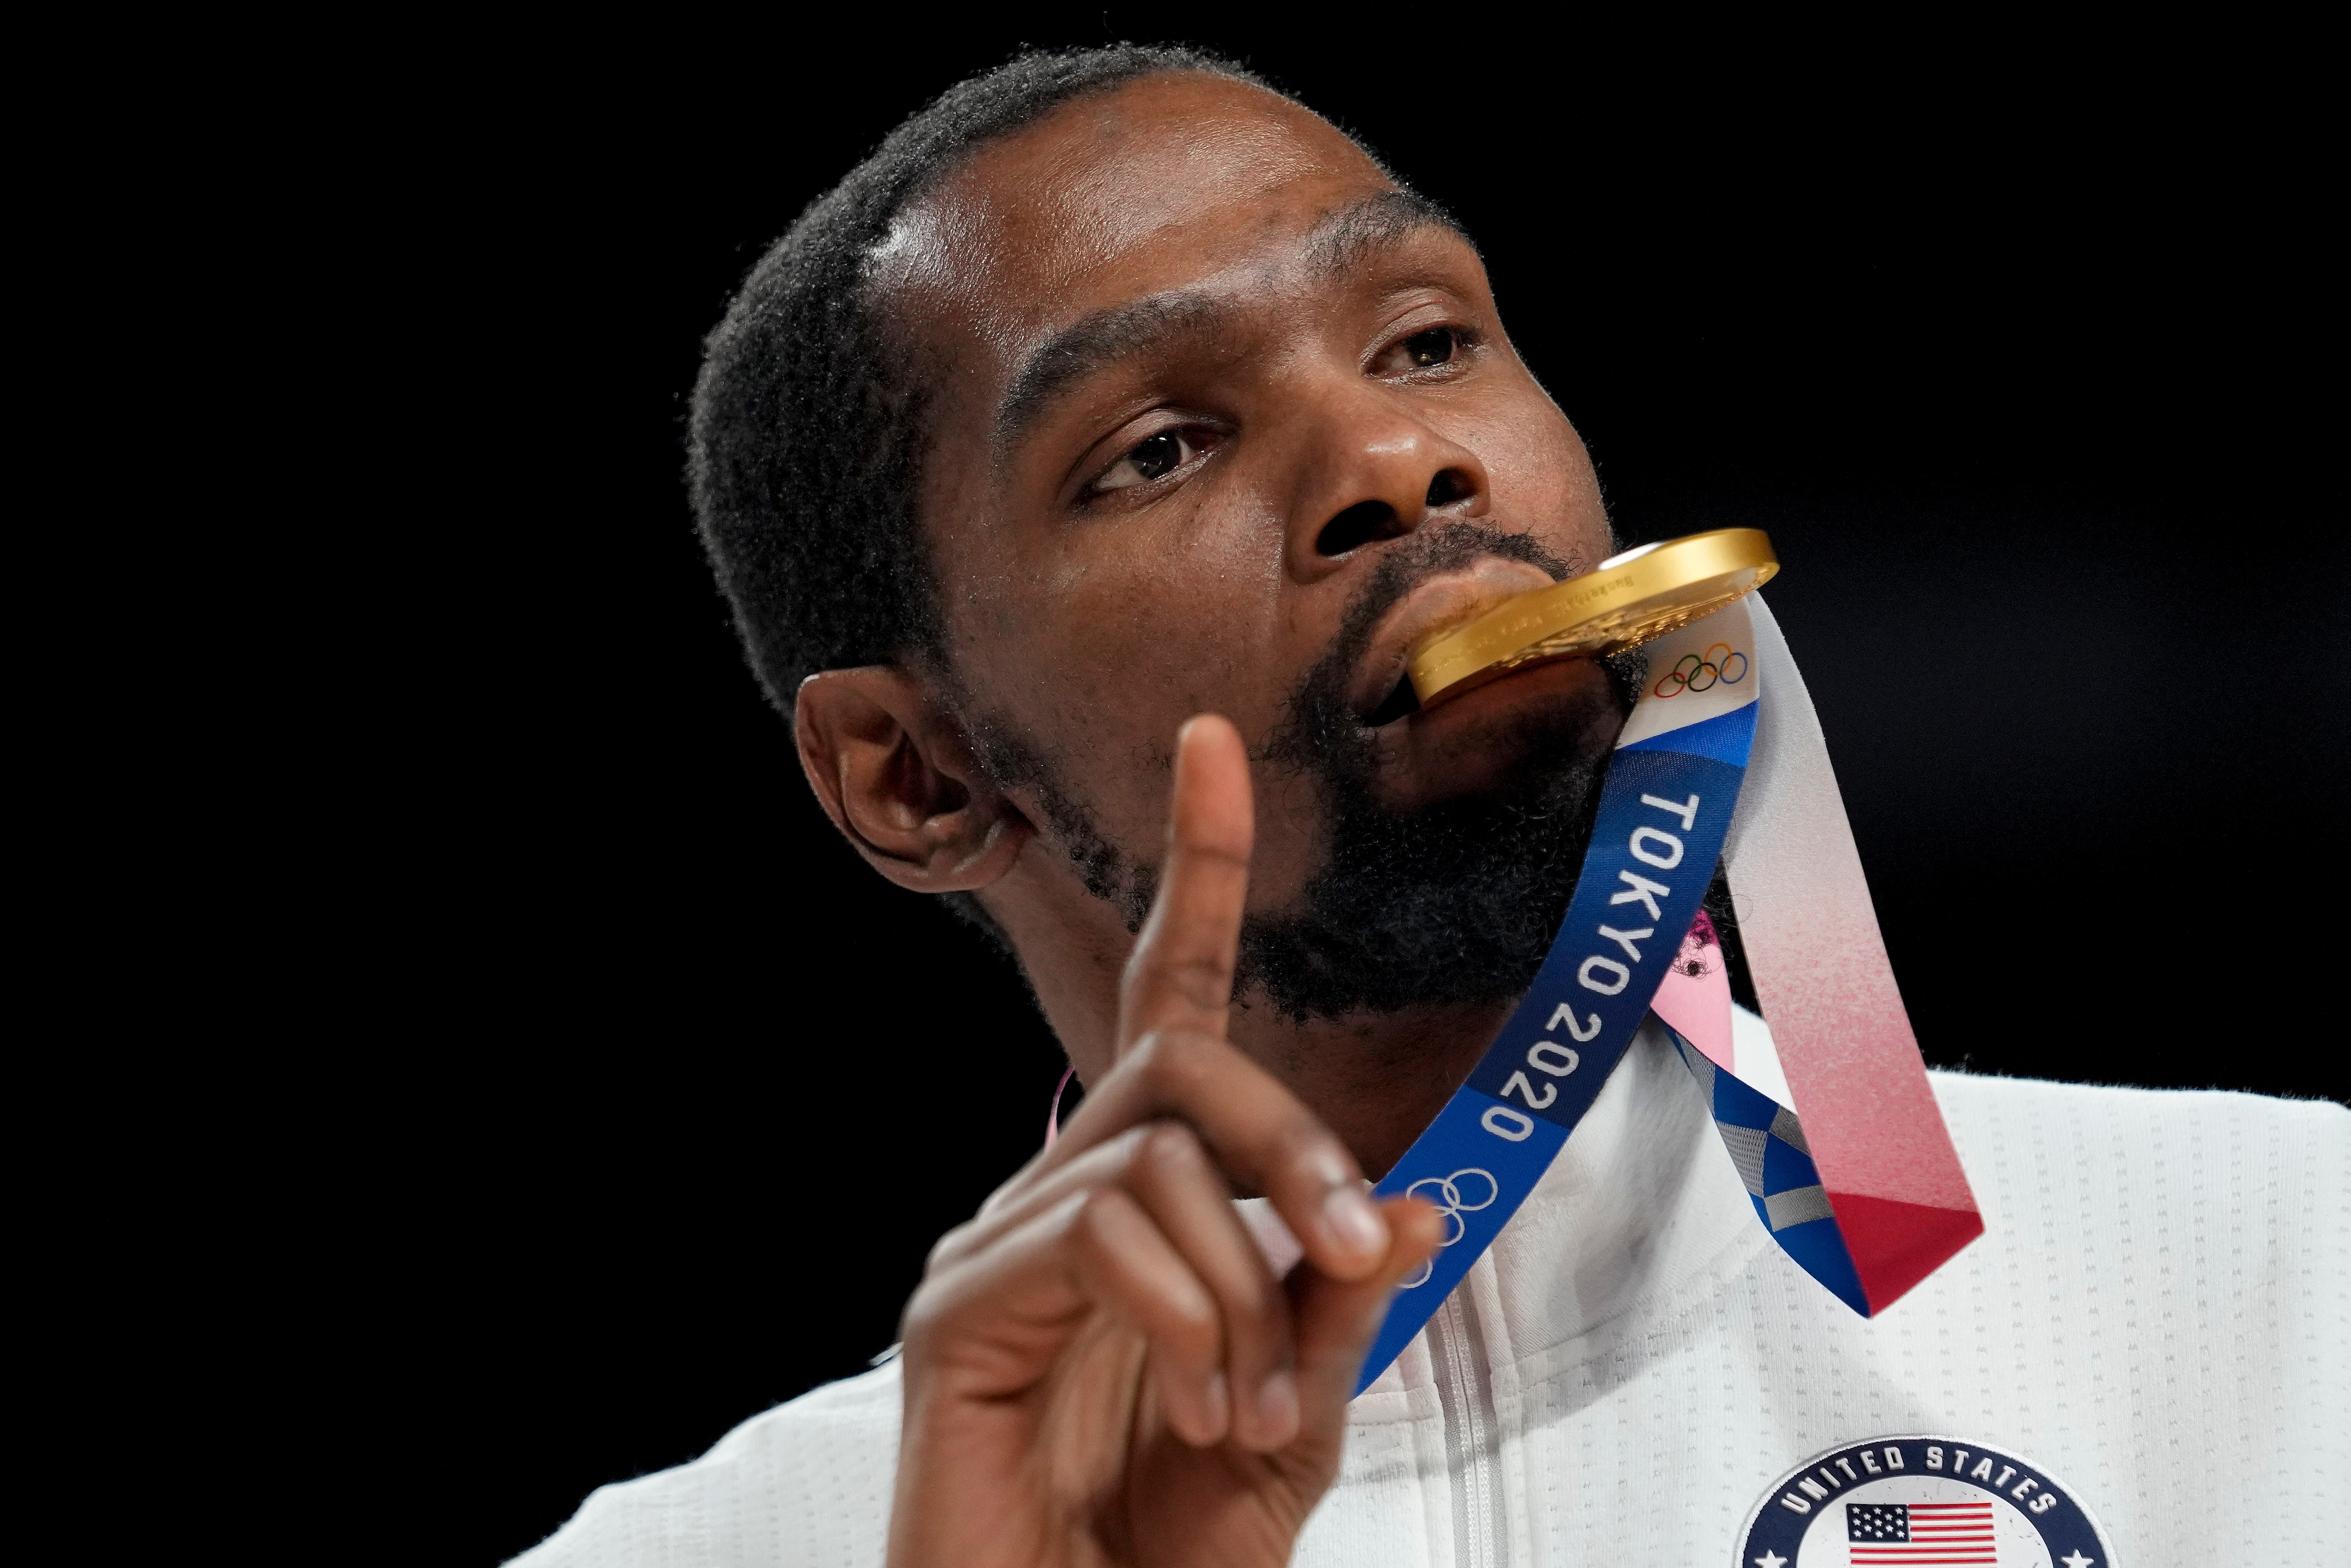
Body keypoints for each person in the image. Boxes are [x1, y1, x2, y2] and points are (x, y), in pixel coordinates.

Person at [514, 44, 2348, 1568]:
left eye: (1423, 341)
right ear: (914, 776)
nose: (1400, 461)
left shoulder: (2288, 1269)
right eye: (1158, 449)